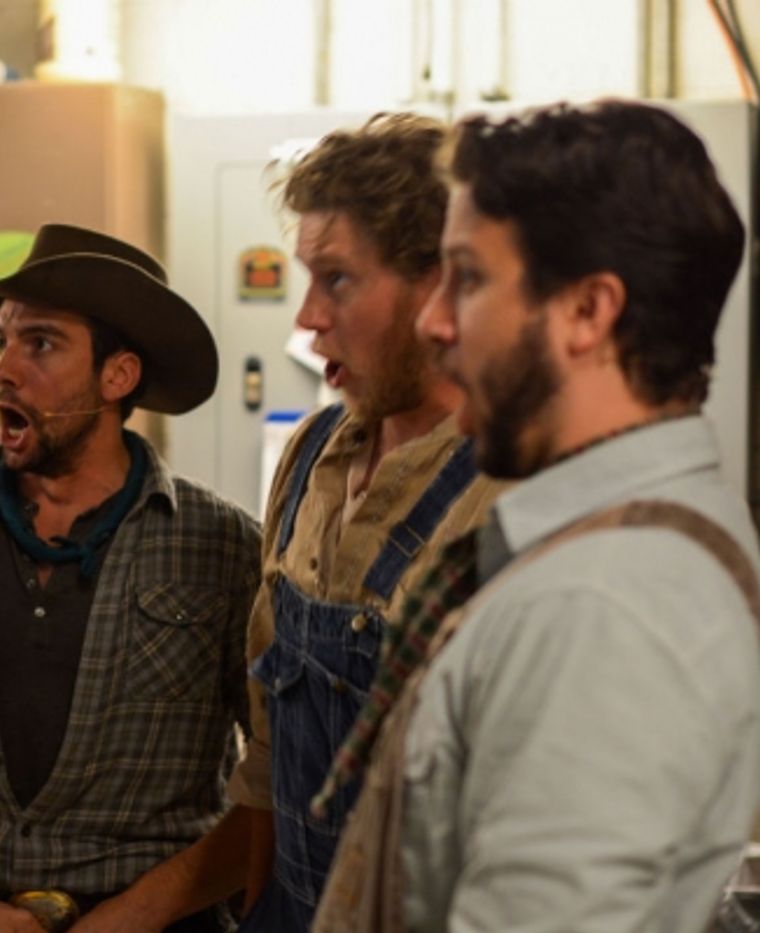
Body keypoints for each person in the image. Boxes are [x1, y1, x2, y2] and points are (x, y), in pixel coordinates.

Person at [314, 100, 760, 933]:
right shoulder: (616, 549)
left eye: (470, 278)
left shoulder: (602, 606)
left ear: (589, 312)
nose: (433, 321)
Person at [0, 223, 261, 933]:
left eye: (39, 343)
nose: (4, 368)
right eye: (1, 340)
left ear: (117, 375)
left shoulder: (221, 546)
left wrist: (129, 919)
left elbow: (279, 782)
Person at [150, 113, 499, 933]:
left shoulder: (517, 491)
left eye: (337, 279)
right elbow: (270, 736)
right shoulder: (311, 454)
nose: (305, 318)